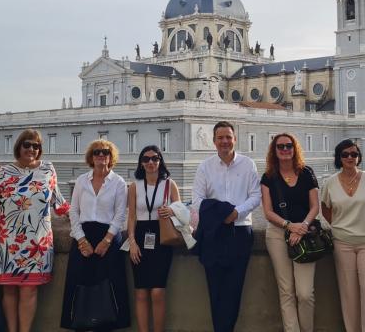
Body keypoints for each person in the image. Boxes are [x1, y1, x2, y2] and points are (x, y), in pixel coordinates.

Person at [0, 129, 69, 332]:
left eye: (36, 146)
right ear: (18, 147)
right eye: (27, 145)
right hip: (7, 242)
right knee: (9, 290)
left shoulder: (48, 169)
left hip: (37, 243)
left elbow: (60, 203)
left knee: (29, 290)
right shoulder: (3, 173)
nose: (31, 149)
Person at [192, 121, 261, 332]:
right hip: (214, 234)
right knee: (215, 289)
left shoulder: (248, 164)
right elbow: (197, 200)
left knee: (234, 289)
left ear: (235, 139)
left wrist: (236, 213)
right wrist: (222, 215)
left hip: (240, 232)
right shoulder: (205, 167)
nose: (225, 141)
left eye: (228, 137)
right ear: (214, 141)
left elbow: (256, 196)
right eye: (220, 138)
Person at [60, 139, 130, 331]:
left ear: (111, 156)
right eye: (97, 152)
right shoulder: (82, 180)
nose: (101, 155)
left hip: (108, 237)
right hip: (83, 236)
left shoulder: (118, 182)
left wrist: (107, 241)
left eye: (105, 152)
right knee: (79, 286)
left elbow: (120, 214)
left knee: (109, 287)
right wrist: (81, 239)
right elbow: (74, 211)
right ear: (91, 157)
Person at [321, 139, 365, 332]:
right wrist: (339, 226)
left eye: (354, 154)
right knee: (349, 294)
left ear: (359, 157)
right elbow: (326, 209)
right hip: (343, 243)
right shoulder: (330, 183)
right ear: (339, 158)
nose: (350, 157)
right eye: (345, 154)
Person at [259, 133, 319, 332]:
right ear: (274, 151)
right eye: (280, 147)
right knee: (286, 291)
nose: (285, 150)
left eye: (288, 146)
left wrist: (300, 227)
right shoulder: (268, 177)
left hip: (304, 234)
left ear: (295, 148)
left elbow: (315, 207)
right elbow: (267, 212)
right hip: (277, 234)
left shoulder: (307, 173)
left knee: (305, 293)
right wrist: (288, 225)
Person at [127, 146, 180, 332]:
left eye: (155, 158)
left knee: (157, 292)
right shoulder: (135, 186)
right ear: (141, 163)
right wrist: (132, 242)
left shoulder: (169, 184)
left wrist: (171, 210)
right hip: (140, 238)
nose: (151, 162)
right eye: (146, 159)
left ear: (160, 161)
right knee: (141, 292)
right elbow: (131, 216)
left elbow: (180, 211)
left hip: (161, 238)